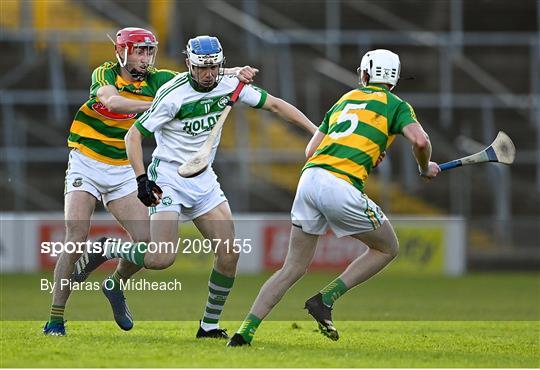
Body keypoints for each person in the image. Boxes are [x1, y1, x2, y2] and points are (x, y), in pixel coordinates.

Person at [78, 35, 317, 339]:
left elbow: (274, 105)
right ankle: (107, 248)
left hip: (203, 181)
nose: (208, 74)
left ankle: (208, 326)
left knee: (230, 254)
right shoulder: (172, 95)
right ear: (188, 64)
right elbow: (133, 137)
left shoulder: (230, 86)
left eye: (214, 68)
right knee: (161, 258)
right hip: (168, 179)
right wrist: (141, 180)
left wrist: (316, 131)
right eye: (202, 68)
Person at [43, 27, 258, 336]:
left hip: (123, 170)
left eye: (149, 51)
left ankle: (115, 284)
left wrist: (232, 71)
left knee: (148, 244)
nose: (146, 58)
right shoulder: (104, 74)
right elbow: (113, 102)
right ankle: (55, 318)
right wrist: (161, 107)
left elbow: (196, 77)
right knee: (76, 236)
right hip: (86, 161)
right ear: (122, 52)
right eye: (139, 51)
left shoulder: (158, 80)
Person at [227, 49, 441, 347]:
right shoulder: (397, 105)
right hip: (339, 184)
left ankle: (243, 333)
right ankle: (325, 299)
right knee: (387, 248)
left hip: (309, 179)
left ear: (364, 74)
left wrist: (359, 150)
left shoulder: (346, 99)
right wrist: (424, 167)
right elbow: (420, 140)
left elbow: (310, 151)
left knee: (292, 267)